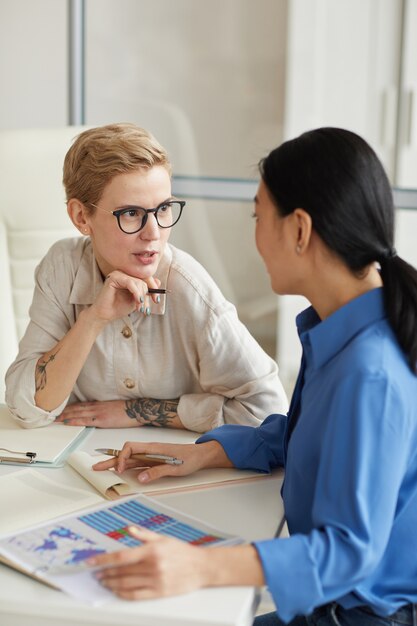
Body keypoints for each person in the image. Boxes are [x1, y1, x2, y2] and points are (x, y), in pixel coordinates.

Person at [90, 127, 417, 626]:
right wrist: (207, 452)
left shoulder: (370, 371)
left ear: (300, 230)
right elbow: (313, 435)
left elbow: (349, 553)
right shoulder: (340, 326)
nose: (255, 234)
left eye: (258, 216)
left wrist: (199, 566)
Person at [5, 123, 287, 431]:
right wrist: (93, 319)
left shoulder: (189, 286)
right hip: (79, 459)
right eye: (130, 213)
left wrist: (139, 411)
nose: (153, 233)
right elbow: (27, 410)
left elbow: (269, 411)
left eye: (163, 208)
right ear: (81, 217)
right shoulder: (62, 267)